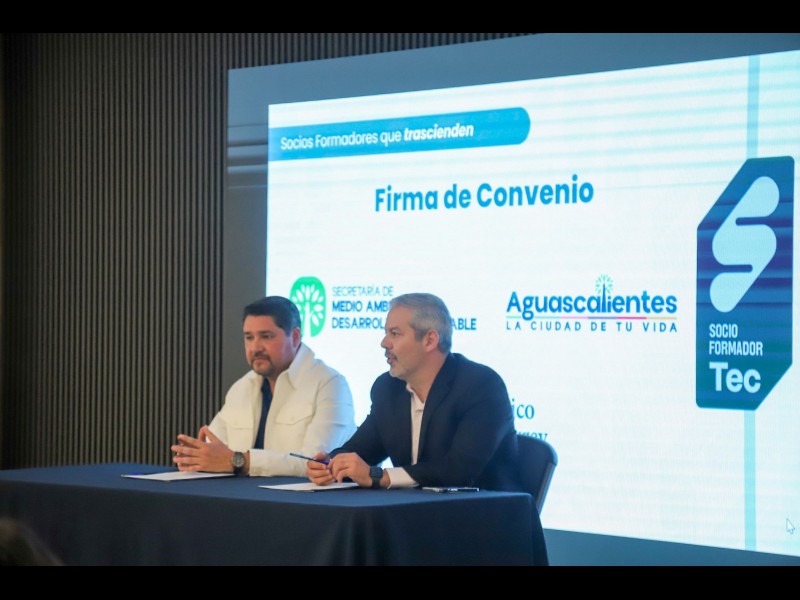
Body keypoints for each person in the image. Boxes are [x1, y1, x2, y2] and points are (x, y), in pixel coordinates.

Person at [305, 292, 521, 492]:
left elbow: (458, 471)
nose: (384, 343)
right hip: (414, 513)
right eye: (386, 333)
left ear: (430, 340)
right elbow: (360, 449)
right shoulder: (388, 388)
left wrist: (380, 476)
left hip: (483, 513)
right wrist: (331, 465)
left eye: (395, 333)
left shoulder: (481, 386)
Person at [172, 295, 357, 477]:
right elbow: (213, 450)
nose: (255, 347)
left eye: (266, 337)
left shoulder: (331, 385)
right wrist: (198, 458)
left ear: (295, 337)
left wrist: (240, 462)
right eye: (249, 337)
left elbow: (317, 463)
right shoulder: (241, 387)